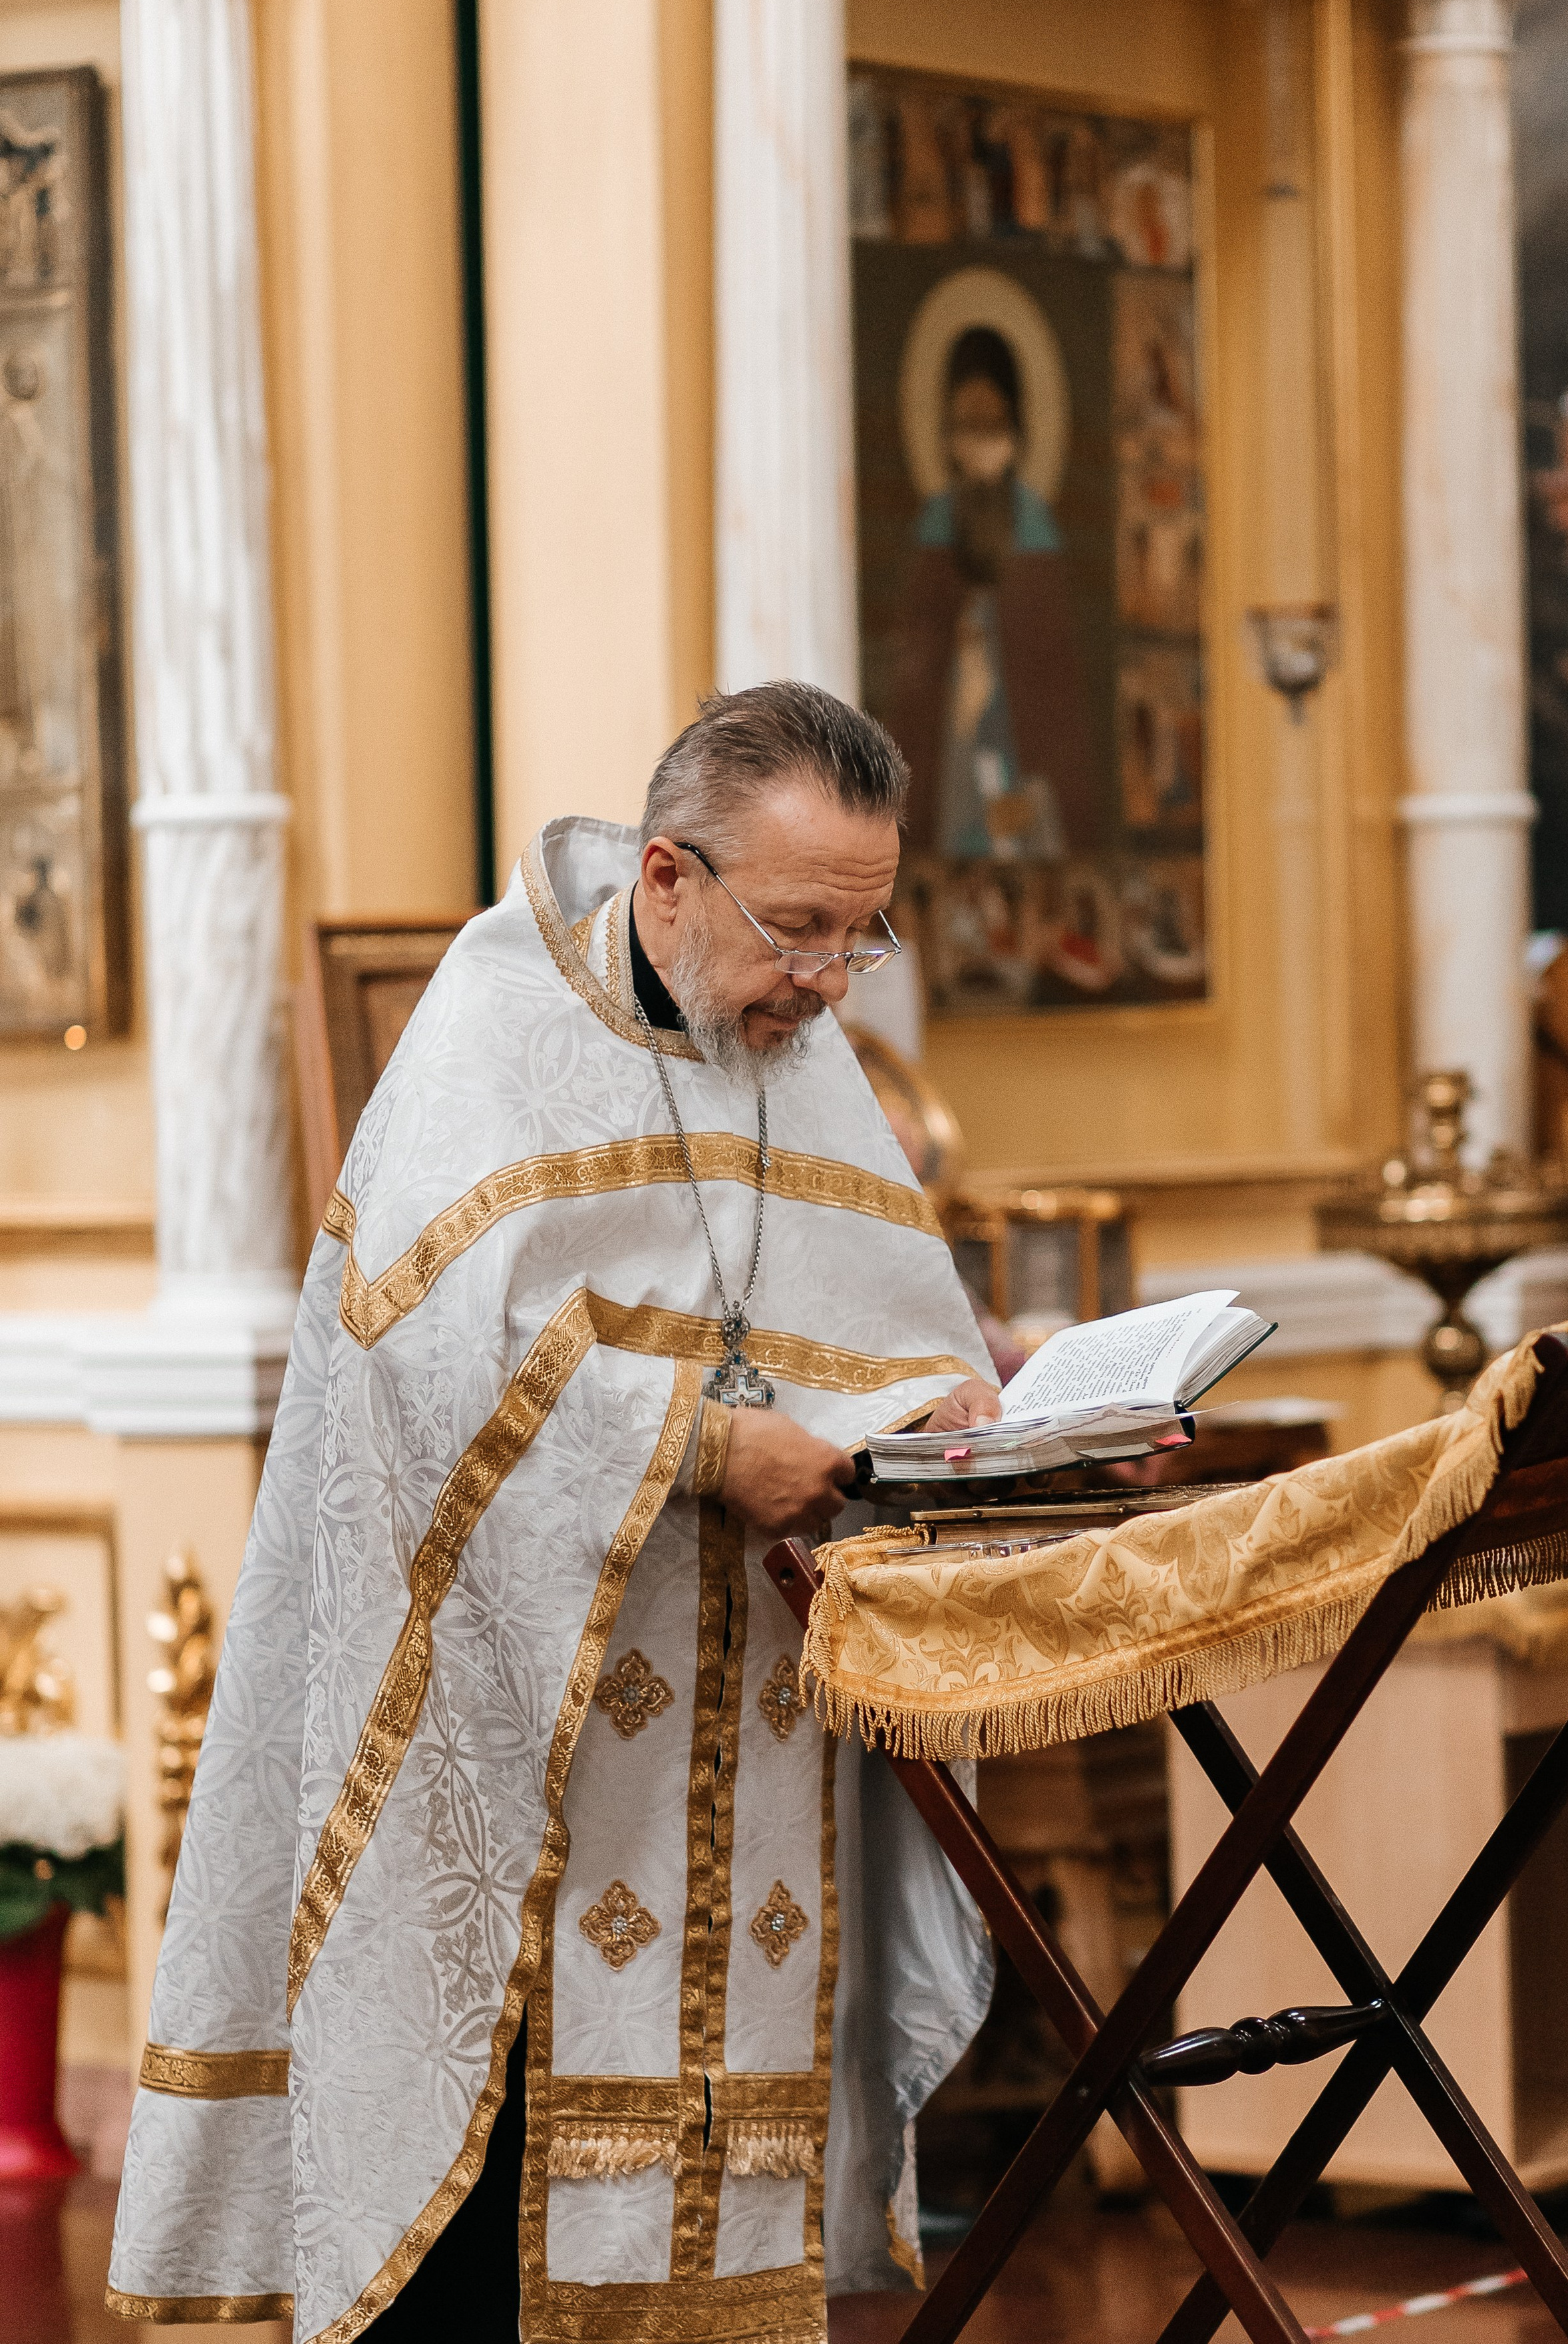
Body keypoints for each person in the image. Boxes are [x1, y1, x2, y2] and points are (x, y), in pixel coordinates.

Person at [108, 684, 1003, 2344]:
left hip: (748, 1734)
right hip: (524, 1736)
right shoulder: (493, 1020)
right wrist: (699, 1444)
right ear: (668, 876)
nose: (822, 983)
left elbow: (875, 1321)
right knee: (494, 2182)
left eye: (860, 938)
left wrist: (932, 1409)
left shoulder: (794, 1054)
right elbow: (424, 1361)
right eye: (797, 928)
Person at [883, 324, 1097, 860]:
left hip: (1022, 774)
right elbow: (913, 676)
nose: (979, 446)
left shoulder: (1036, 528)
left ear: (1017, 433)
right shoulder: (935, 524)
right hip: (951, 762)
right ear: (947, 438)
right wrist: (958, 681)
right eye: (965, 427)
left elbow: (1055, 690)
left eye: (992, 427)